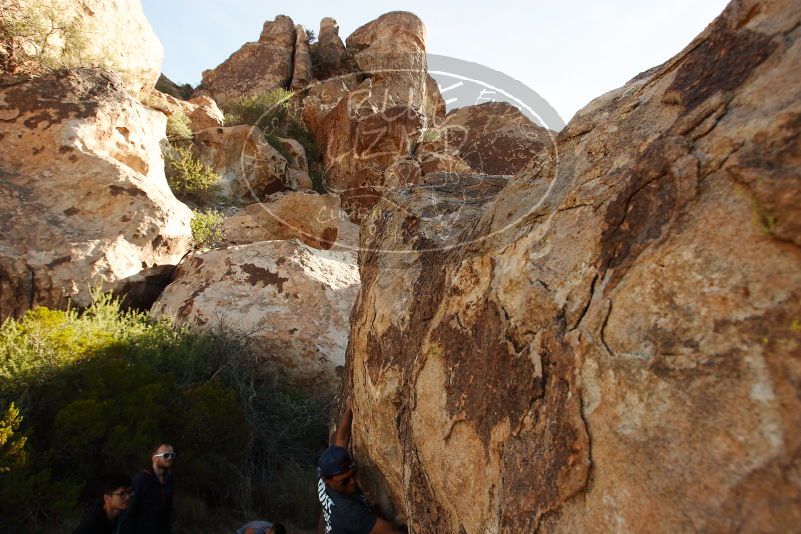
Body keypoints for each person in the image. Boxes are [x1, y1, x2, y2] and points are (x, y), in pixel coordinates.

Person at [317, 403, 400, 534]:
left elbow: (342, 438)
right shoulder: (350, 513)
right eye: (344, 481)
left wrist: (351, 406)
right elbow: (392, 532)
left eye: (353, 474)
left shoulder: (327, 471)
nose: (352, 482)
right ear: (327, 481)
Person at [121, 443, 175, 534]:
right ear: (155, 458)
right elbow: (128, 512)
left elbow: (167, 512)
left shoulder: (169, 481)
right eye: (166, 455)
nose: (170, 458)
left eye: (172, 455)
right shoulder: (141, 480)